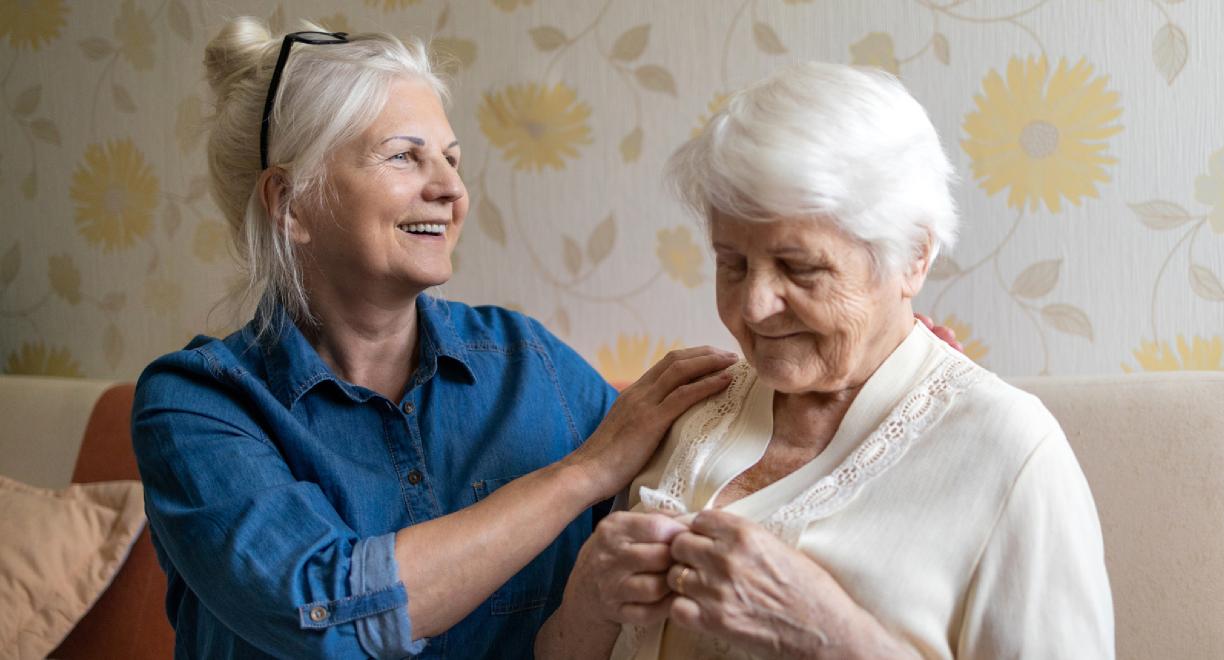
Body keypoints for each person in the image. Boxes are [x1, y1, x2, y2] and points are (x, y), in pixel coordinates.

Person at [131, 18, 739, 659]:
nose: (450, 189)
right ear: (291, 203)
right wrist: (580, 474)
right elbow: (324, 614)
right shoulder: (195, 403)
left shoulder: (528, 363)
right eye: (403, 155)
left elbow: (706, 484)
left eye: (451, 159)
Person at [536, 62, 1114, 659]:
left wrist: (825, 635)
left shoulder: (1010, 451)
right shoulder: (687, 408)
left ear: (914, 257)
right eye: (731, 263)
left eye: (800, 268)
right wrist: (589, 597)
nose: (754, 307)